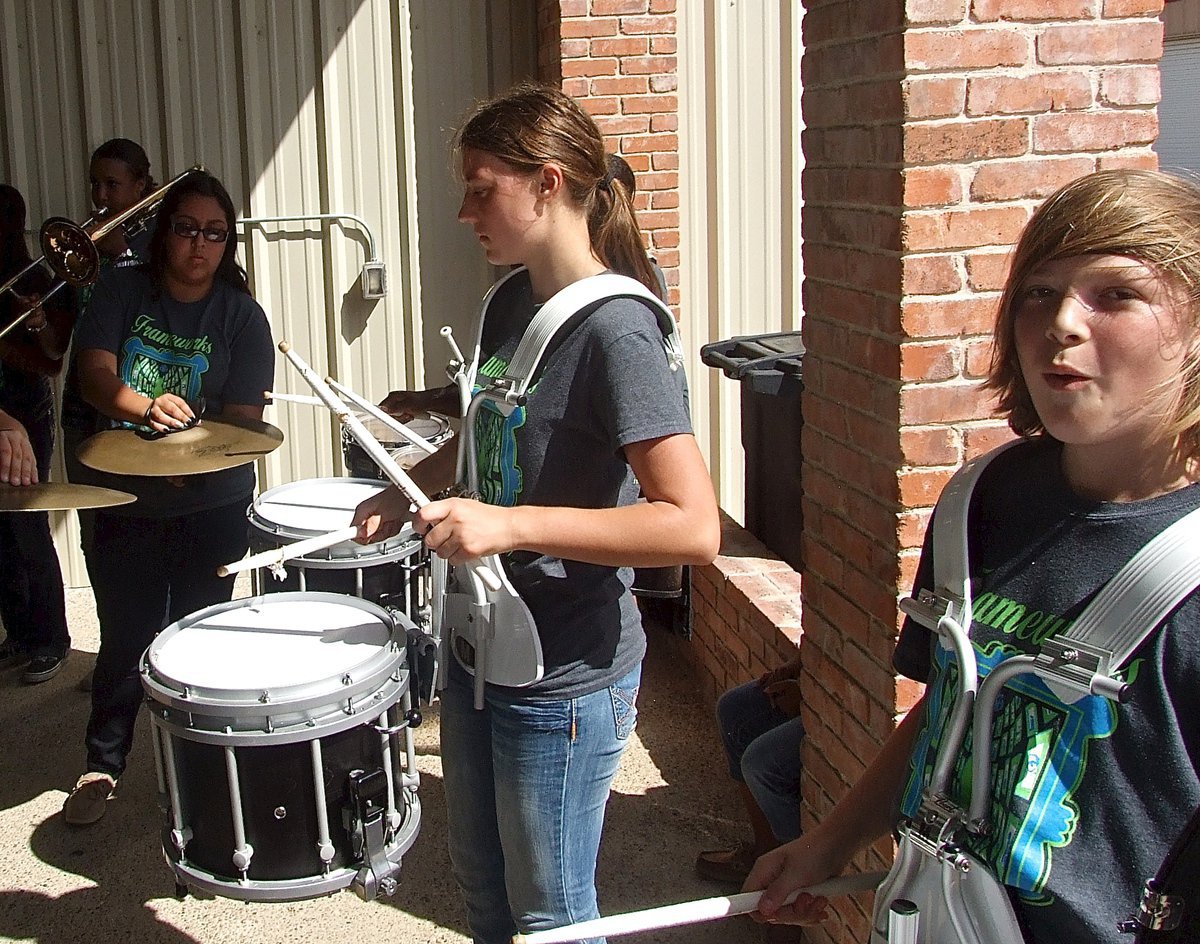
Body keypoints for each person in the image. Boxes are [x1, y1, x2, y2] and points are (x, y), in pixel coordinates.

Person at [744, 168, 1200, 944]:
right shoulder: (981, 501)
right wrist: (827, 842)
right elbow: (953, 703)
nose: (1061, 323)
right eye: (1037, 291)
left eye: (1116, 294)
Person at [353, 82, 720, 944]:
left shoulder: (617, 331)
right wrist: (413, 485)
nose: (463, 211)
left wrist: (508, 525)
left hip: (567, 677)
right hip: (488, 652)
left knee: (552, 917)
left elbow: (691, 526)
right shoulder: (510, 302)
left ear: (547, 184)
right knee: (483, 891)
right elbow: (493, 435)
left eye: (481, 189)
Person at [62, 170, 274, 827]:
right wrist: (144, 407)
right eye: (187, 229)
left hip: (209, 502)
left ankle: (196, 768)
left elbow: (242, 421)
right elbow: (95, 377)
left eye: (216, 234)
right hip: (121, 496)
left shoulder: (241, 315)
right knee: (125, 635)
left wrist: (192, 460)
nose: (199, 245)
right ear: (164, 233)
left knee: (197, 638)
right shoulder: (124, 290)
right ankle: (104, 762)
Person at [0, 183, 74, 683]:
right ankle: (21, 632)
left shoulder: (40, 277)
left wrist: (39, 321)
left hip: (25, 407)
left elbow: (52, 358)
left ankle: (52, 638)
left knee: (27, 523)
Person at [694, 653, 804, 884]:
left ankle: (792, 872)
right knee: (734, 709)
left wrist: (808, 701)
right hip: (816, 691)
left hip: (841, 714)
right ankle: (764, 851)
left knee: (761, 763)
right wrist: (795, 665)